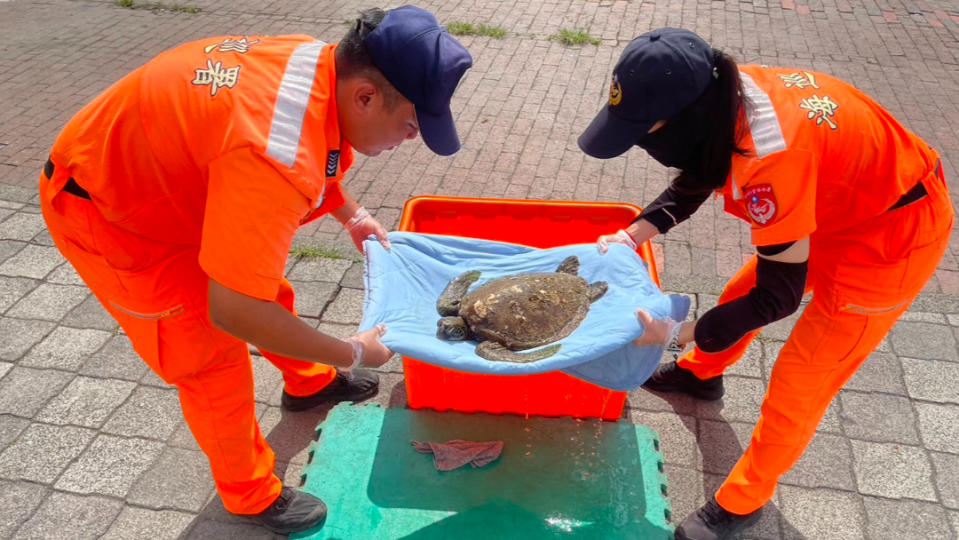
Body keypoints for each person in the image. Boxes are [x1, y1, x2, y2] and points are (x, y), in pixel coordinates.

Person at [38, 6, 472, 534]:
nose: (410, 139)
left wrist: (351, 213)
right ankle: (248, 494)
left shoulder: (321, 66)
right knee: (209, 355)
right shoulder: (271, 154)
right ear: (366, 95)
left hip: (180, 183)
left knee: (267, 286)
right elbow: (236, 310)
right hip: (111, 211)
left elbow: (319, 146)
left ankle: (307, 383)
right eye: (410, 124)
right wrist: (354, 349)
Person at [580, 27, 952, 540]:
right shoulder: (725, 94)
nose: (645, 142)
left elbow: (776, 297)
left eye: (648, 129)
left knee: (801, 378)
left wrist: (673, 331)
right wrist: (632, 233)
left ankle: (743, 499)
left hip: (892, 236)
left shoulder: (770, 158)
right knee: (737, 293)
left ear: (686, 118)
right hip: (838, 205)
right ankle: (700, 375)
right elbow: (703, 168)